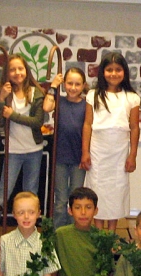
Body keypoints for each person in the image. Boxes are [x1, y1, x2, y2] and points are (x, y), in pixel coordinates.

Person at [84, 52, 140, 233]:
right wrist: (85, 152)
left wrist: (133, 155)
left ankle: (112, 233)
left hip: (119, 151)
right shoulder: (93, 95)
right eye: (109, 70)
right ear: (102, 72)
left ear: (124, 72)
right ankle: (99, 232)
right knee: (98, 189)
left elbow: (134, 127)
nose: (113, 74)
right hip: (98, 150)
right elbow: (87, 124)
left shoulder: (131, 97)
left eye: (118, 70)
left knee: (116, 191)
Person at [0, 54, 45, 225]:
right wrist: (1, 100)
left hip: (33, 151)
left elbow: (37, 122)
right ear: (7, 72)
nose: (17, 73)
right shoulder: (2, 92)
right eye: (12, 69)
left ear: (26, 70)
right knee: (3, 193)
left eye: (20, 68)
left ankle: (29, 230)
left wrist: (13, 115)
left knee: (30, 194)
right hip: (13, 150)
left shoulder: (36, 92)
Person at [43, 67, 91, 230]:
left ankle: (73, 232)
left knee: (75, 199)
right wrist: (53, 86)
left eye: (77, 84)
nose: (73, 87)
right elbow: (46, 108)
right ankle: (57, 234)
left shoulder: (86, 105)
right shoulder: (59, 101)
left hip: (78, 158)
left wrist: (86, 154)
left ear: (84, 85)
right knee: (61, 200)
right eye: (69, 83)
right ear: (64, 84)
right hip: (60, 158)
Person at [0, 192, 61, 276]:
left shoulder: (45, 243)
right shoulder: (4, 242)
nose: (26, 217)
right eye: (21, 213)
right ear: (14, 214)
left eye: (31, 212)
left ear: (38, 214)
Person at [48, 187, 106, 276]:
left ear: (96, 210)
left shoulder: (102, 239)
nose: (83, 212)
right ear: (70, 211)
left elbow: (104, 273)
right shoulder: (61, 235)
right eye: (78, 207)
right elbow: (53, 268)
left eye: (88, 207)